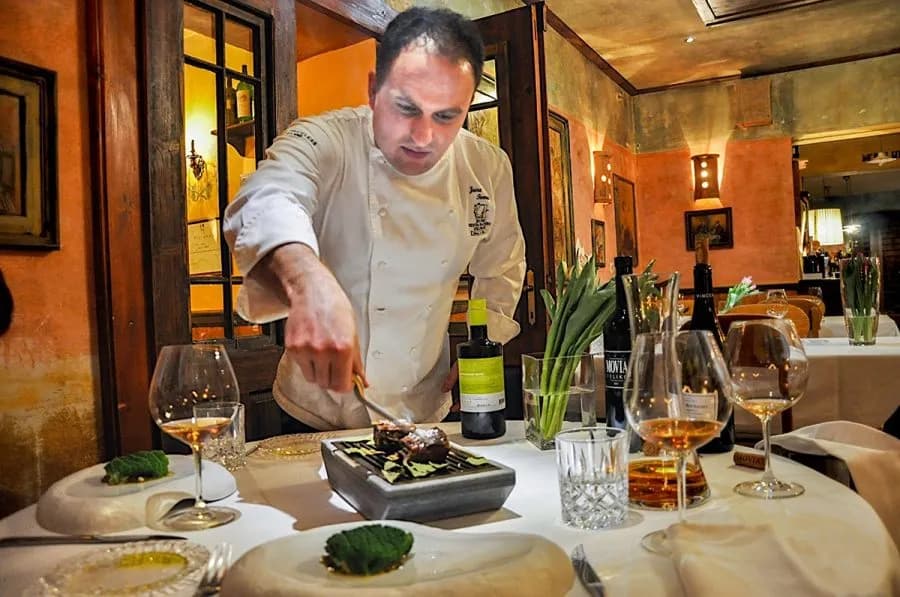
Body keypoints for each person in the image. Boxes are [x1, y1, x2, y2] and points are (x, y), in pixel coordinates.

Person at [223, 7, 526, 430]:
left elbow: (503, 264)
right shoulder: (330, 139)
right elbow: (264, 196)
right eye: (406, 108)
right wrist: (309, 284)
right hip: (316, 408)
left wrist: (487, 337)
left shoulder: (487, 166)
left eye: (446, 116)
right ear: (373, 90)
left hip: (423, 405)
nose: (424, 137)